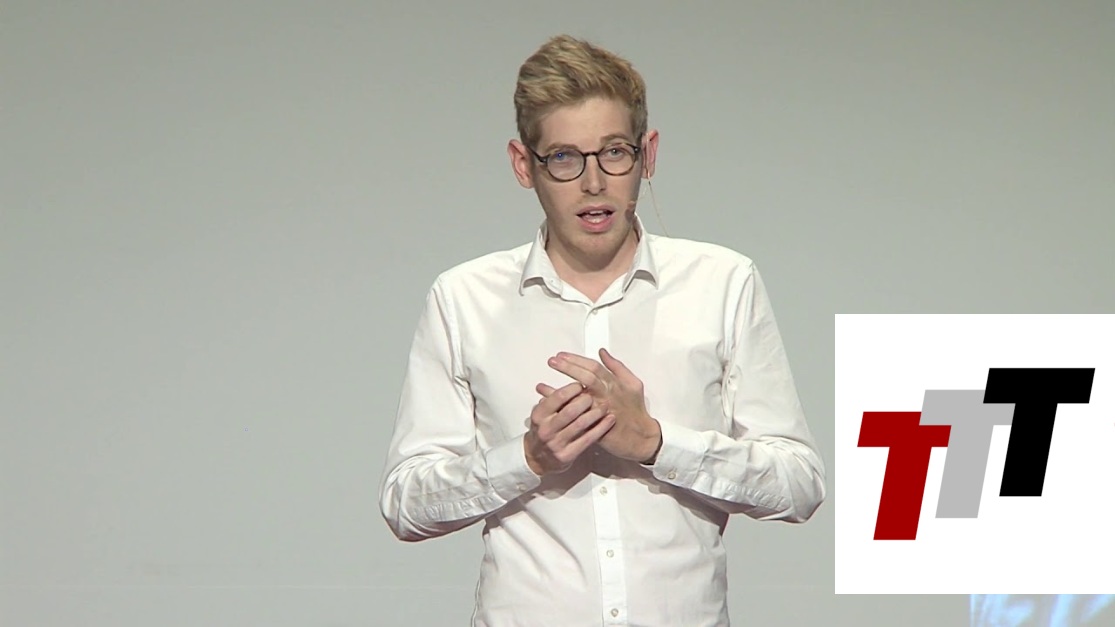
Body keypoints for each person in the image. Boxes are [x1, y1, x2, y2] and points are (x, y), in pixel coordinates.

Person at [378, 34, 826, 626]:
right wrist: (527, 457)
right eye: (565, 158)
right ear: (523, 165)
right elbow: (406, 504)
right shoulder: (464, 299)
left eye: (614, 152)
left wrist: (657, 444)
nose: (594, 182)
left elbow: (798, 484)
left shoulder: (722, 282)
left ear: (648, 155)